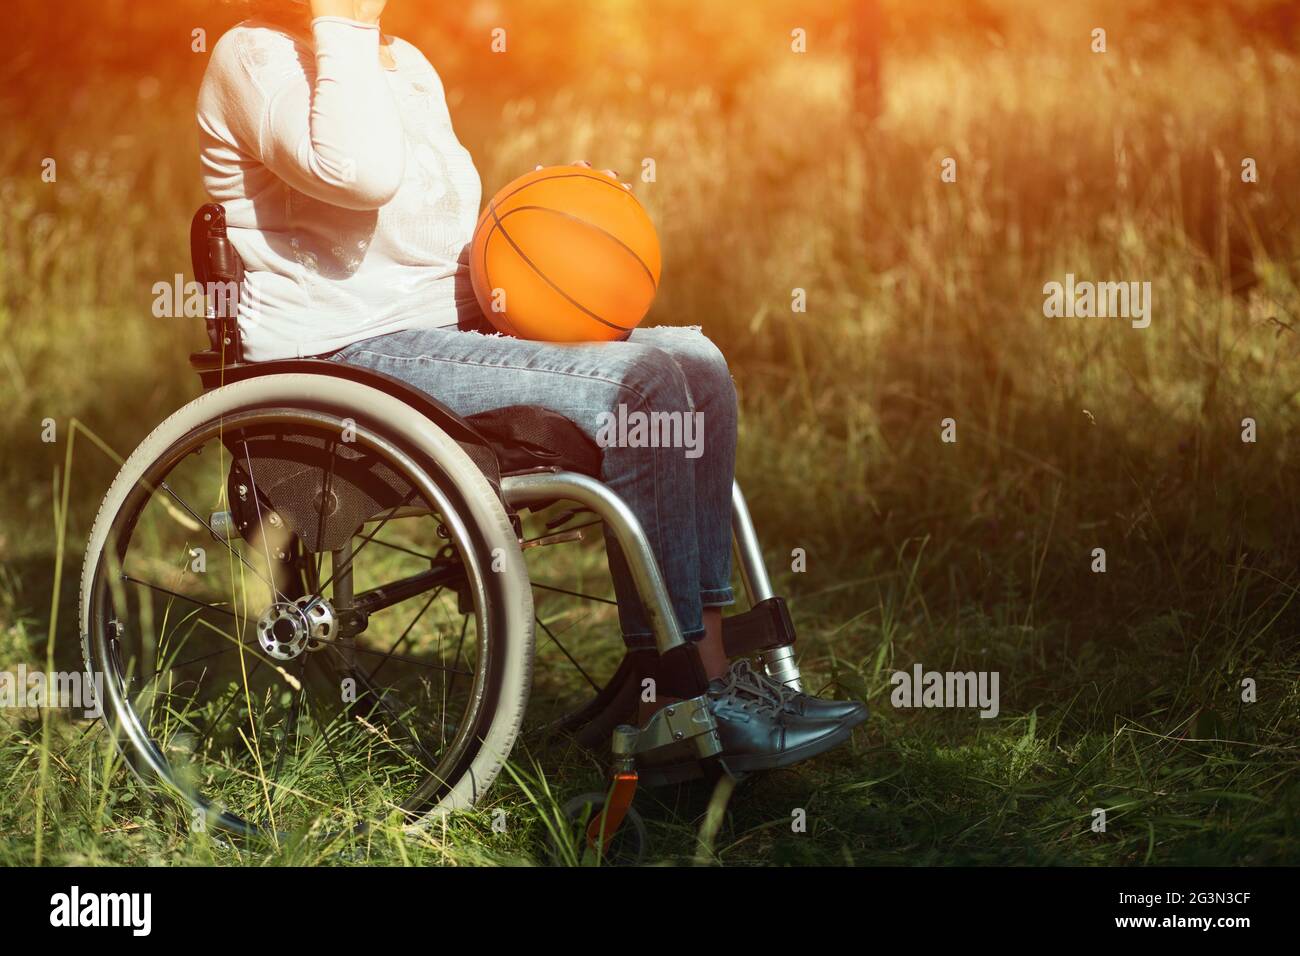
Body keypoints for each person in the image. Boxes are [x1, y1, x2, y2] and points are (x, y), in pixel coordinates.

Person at [198, 0, 866, 770]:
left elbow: (440, 239)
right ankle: (693, 699)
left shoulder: (404, 63)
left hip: (444, 332)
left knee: (696, 364)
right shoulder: (252, 58)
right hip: (341, 354)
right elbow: (361, 175)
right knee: (642, 386)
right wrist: (342, 21)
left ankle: (704, 679)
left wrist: (562, 222)